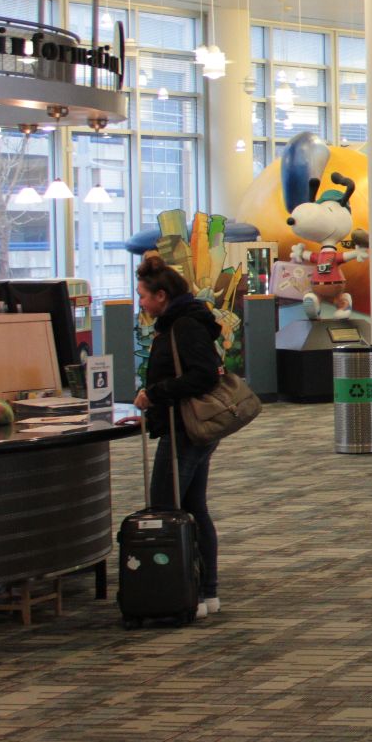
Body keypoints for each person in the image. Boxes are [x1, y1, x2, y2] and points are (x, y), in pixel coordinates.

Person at [131, 254, 224, 618]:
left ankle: (184, 592)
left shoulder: (183, 326)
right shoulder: (182, 321)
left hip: (183, 428)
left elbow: (204, 375)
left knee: (165, 508)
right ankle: (205, 591)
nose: (140, 302)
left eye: (143, 295)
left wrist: (155, 393)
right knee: (194, 506)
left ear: (161, 296)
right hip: (187, 427)